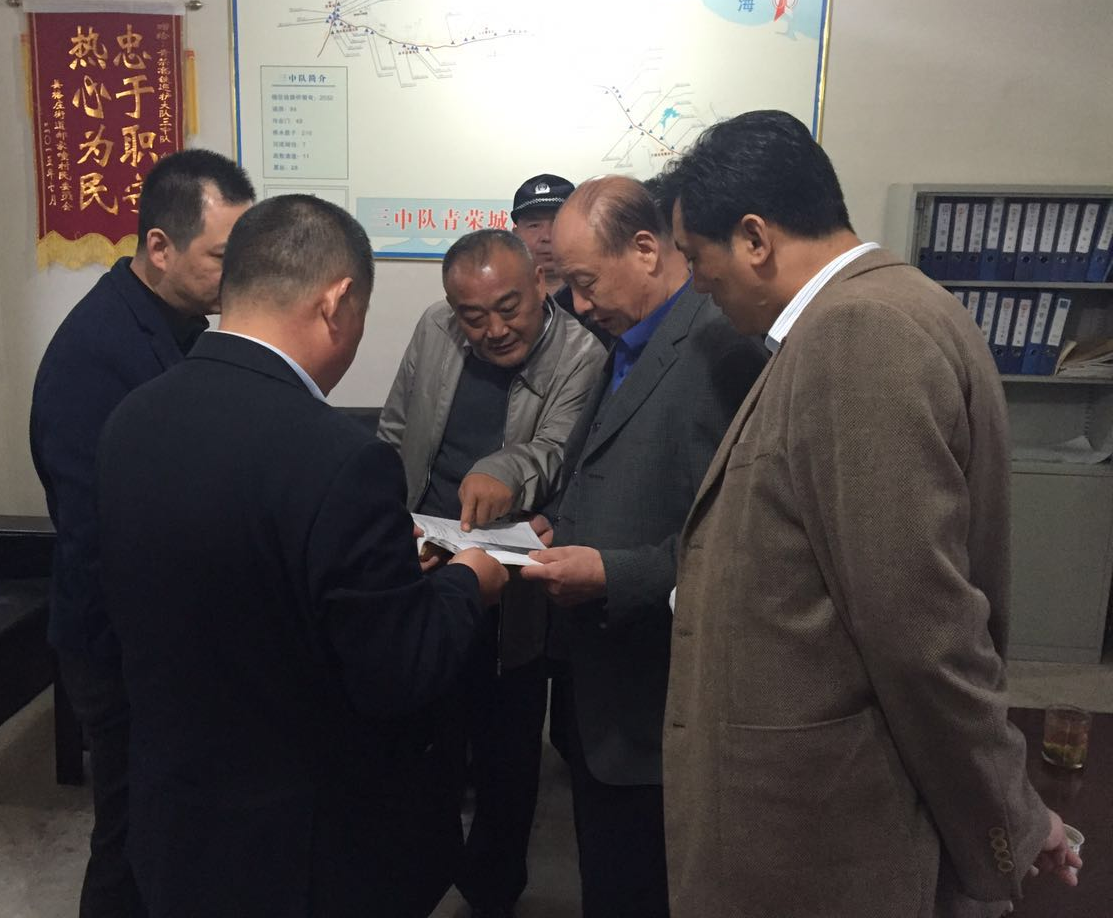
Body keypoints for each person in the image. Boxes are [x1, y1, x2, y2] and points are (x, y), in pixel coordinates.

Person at [660, 109, 1081, 918]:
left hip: (820, 826)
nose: (697, 284)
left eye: (696, 257)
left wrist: (1011, 817)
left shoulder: (860, 333)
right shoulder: (885, 308)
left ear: (755, 238)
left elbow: (921, 629)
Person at [96, 194, 510, 918]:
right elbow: (397, 671)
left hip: (175, 820)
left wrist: (381, 576)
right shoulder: (341, 459)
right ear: (337, 302)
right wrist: (466, 583)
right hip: (301, 848)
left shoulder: (133, 418)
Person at [518, 175, 768, 918]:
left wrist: (613, 575)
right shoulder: (626, 340)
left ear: (648, 250)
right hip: (602, 694)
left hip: (661, 703)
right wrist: (558, 523)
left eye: (586, 282)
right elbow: (613, 468)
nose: (578, 305)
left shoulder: (722, 348)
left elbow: (743, 544)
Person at [29, 148, 254, 918]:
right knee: (131, 834)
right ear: (159, 246)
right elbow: (98, 533)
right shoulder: (98, 353)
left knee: (174, 829)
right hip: (119, 645)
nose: (236, 276)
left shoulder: (177, 326)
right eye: (221, 257)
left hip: (166, 636)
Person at [377, 228, 605, 918]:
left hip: (514, 584)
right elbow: (396, 428)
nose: (494, 330)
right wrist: (386, 520)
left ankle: (493, 892)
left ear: (540, 283)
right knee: (424, 743)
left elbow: (555, 449)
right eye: (474, 316)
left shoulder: (581, 352)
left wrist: (501, 470)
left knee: (508, 754)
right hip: (426, 567)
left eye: (509, 308)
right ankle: (419, 879)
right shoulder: (434, 329)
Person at [511, 173, 612, 348]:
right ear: (515, 235)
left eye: (557, 221)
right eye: (534, 225)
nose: (547, 236)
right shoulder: (501, 298)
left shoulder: (606, 297)